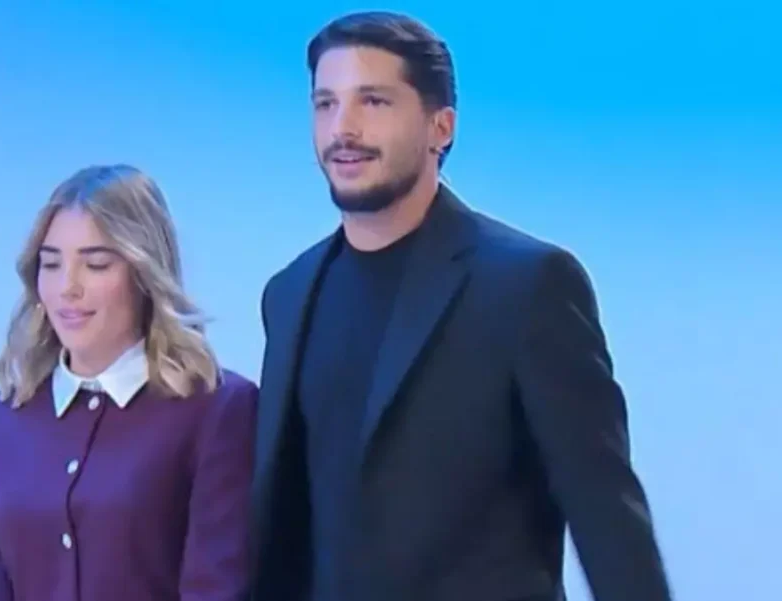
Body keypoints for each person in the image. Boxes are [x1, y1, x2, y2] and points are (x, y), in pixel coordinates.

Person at [250, 11, 672, 601]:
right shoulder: (290, 293)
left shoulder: (528, 284)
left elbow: (606, 515)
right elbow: (286, 529)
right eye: (326, 104)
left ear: (440, 127)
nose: (343, 128)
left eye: (373, 101)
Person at [0, 165, 257, 601]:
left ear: (144, 273)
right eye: (51, 264)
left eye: (96, 264)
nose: (68, 288)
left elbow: (217, 587)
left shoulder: (216, 409)